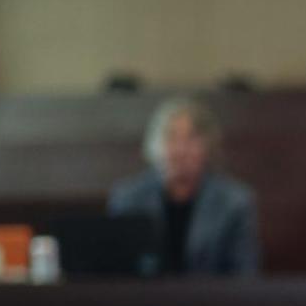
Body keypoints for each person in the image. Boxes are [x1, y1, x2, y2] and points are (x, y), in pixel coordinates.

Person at [108, 97, 260, 275]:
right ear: (154, 146)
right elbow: (116, 276)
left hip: (213, 301)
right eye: (170, 137)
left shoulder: (234, 202)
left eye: (191, 139)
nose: (180, 150)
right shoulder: (128, 198)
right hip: (145, 301)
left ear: (208, 147)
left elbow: (245, 276)